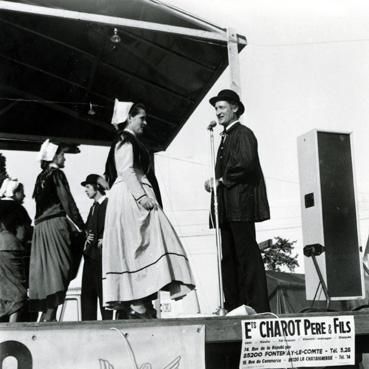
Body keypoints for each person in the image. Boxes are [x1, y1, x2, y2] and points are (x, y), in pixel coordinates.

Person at [103, 100, 195, 318]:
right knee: (139, 245)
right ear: (130, 118)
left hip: (134, 193)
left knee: (144, 246)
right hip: (131, 196)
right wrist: (142, 197)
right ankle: (137, 300)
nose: (145, 122)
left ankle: (142, 298)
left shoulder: (132, 140)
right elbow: (126, 171)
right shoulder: (125, 140)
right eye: (141, 118)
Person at [204, 89, 271, 313]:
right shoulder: (225, 137)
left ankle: (257, 306)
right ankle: (234, 306)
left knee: (246, 256)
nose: (218, 112)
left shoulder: (243, 134)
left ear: (235, 108)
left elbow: (246, 163)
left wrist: (221, 180)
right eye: (216, 108)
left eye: (222, 107)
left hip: (240, 206)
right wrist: (215, 182)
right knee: (229, 258)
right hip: (226, 208)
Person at [29, 139, 85, 321]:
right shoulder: (56, 174)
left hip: (40, 229)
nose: (64, 159)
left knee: (47, 273)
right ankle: (49, 317)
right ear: (54, 155)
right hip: (54, 226)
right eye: (62, 155)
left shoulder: (40, 177)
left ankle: (47, 316)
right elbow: (67, 202)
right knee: (61, 270)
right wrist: (82, 226)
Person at [80, 174, 112, 321]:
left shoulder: (108, 205)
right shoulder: (93, 207)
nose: (85, 190)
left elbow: (112, 226)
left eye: (87, 187)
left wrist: (106, 237)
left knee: (104, 295)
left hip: (102, 257)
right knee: (87, 296)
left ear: (97, 187)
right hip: (90, 257)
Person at [0, 200, 27, 322]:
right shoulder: (16, 208)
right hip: (11, 248)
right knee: (18, 295)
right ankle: (12, 327)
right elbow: (22, 233)